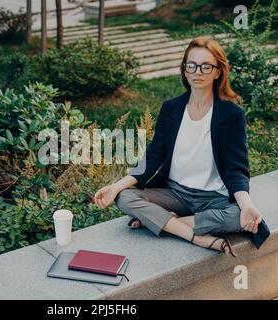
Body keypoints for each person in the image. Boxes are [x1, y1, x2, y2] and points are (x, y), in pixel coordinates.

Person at [94, 36, 263, 257]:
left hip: (214, 197)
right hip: (175, 193)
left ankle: (161, 223)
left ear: (218, 71)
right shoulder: (172, 108)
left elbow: (236, 168)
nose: (197, 72)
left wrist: (247, 204)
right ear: (184, 70)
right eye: (191, 65)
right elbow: (153, 156)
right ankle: (194, 236)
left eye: (206, 66)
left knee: (236, 216)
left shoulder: (232, 114)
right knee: (124, 197)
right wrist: (116, 187)